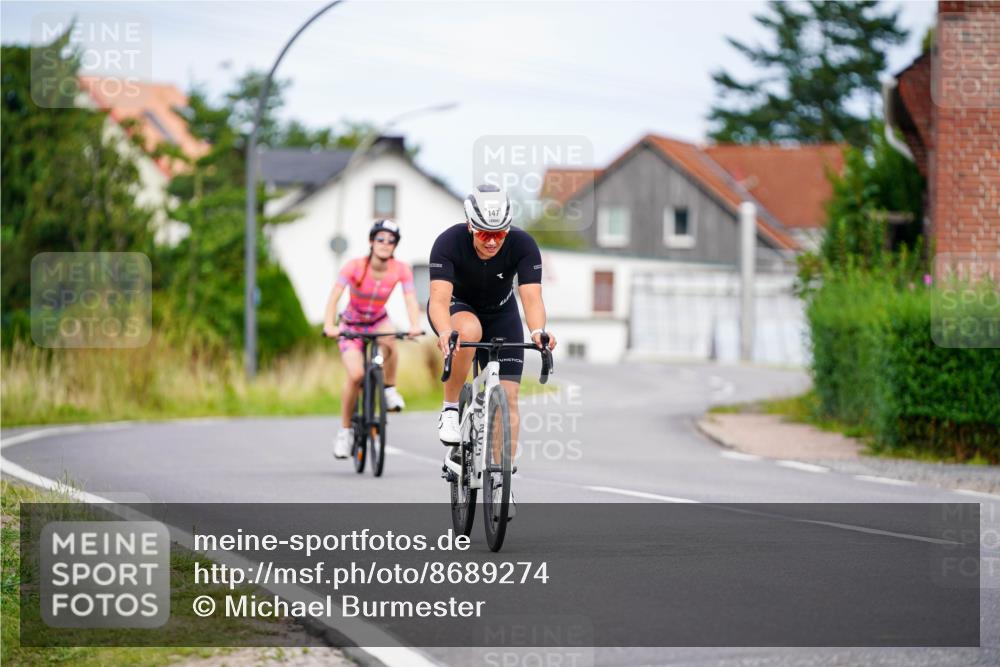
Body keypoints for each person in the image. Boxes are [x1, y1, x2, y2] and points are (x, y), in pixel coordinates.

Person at [427, 184, 557, 516]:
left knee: (509, 398)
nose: (491, 241)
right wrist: (445, 332)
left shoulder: (524, 245)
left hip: (502, 313)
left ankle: (502, 480)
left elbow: (531, 298)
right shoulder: (448, 242)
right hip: (460, 308)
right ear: (470, 225)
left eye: (499, 234)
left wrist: (539, 331)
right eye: (484, 233)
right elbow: (439, 300)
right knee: (467, 330)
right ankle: (450, 408)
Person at [323, 219, 423, 459]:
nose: (385, 244)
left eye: (391, 241)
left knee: (390, 339)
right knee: (356, 375)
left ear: (395, 246)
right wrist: (329, 325)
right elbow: (334, 297)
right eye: (381, 239)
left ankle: (389, 388)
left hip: (378, 320)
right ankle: (345, 432)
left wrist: (414, 325)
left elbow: (410, 298)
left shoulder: (401, 269)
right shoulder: (354, 266)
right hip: (351, 324)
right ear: (371, 241)